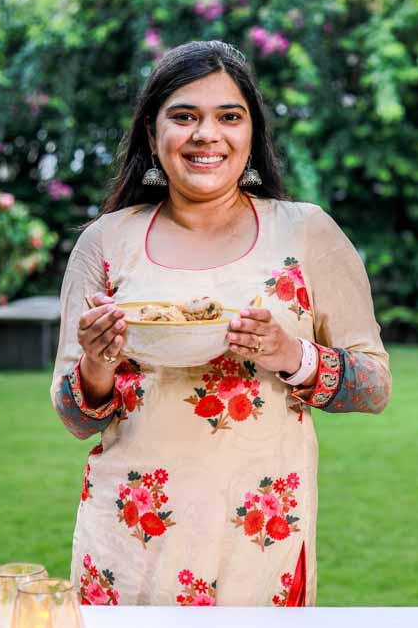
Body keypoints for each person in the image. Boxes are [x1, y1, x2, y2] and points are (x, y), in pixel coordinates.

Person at [50, 40, 391, 607]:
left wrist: (294, 355)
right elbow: (72, 416)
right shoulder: (106, 242)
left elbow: (376, 387)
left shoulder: (305, 232)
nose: (207, 134)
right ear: (152, 133)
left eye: (228, 117)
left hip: (260, 538)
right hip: (129, 537)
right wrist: (96, 361)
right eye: (184, 116)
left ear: (251, 133)